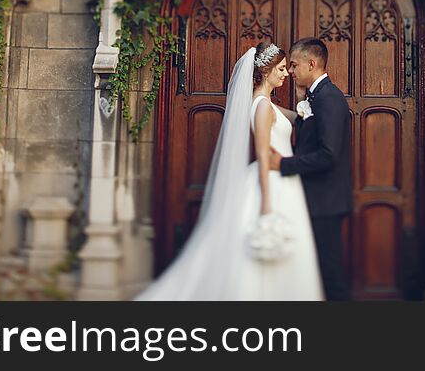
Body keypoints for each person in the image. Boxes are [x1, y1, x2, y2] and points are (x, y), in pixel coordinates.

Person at [133, 42, 323, 300]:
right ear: (266, 72)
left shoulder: (266, 103)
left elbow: (295, 117)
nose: (286, 73)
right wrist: (267, 202)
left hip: (283, 180)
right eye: (280, 69)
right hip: (272, 182)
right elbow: (262, 153)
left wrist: (305, 99)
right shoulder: (263, 106)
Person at [270, 37, 353, 300]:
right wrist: (269, 107)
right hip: (314, 199)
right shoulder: (316, 97)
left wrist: (283, 164)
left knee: (330, 273)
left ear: (311, 63)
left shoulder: (329, 98)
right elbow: (308, 129)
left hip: (325, 201)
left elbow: (328, 155)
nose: (291, 72)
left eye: (293, 66)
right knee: (314, 271)